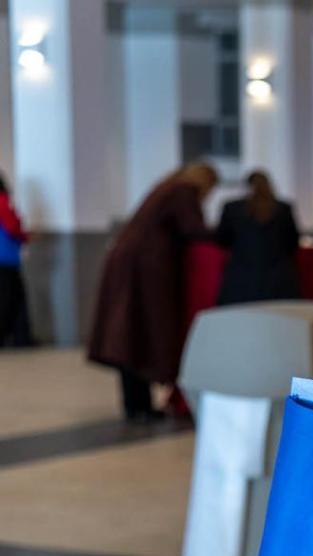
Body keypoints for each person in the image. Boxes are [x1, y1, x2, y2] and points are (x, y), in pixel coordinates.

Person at [87, 162, 218, 421]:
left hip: (133, 264)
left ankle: (137, 404)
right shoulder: (183, 192)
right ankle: (138, 406)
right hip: (146, 268)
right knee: (140, 333)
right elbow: (193, 229)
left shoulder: (167, 188)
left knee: (130, 336)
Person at [215, 170, 301, 305]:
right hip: (278, 276)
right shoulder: (283, 209)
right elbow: (292, 242)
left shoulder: (232, 208)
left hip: (241, 276)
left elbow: (222, 239)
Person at [0, 172, 29, 346]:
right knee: (10, 299)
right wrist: (26, 236)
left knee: (13, 298)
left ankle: (20, 337)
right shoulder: (3, 202)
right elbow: (12, 227)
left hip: (6, 258)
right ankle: (18, 338)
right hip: (5, 258)